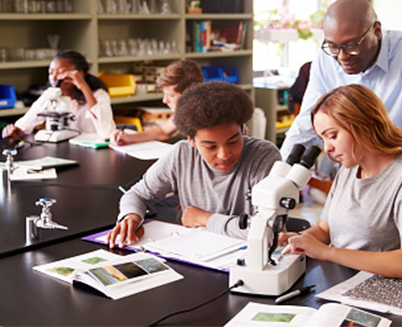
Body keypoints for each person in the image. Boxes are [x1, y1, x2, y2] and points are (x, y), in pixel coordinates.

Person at [279, 0, 402, 220]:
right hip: (360, 165)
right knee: (360, 243)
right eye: (333, 46)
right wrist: (278, 180)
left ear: (377, 30)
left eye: (351, 46)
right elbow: (305, 125)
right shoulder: (325, 59)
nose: (341, 57)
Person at [281, 85, 402, 281]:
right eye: (322, 139)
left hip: (382, 288)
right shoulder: (348, 170)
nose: (327, 148)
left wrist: (327, 252)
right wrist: (297, 239)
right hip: (340, 282)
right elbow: (324, 230)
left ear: (363, 124)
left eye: (332, 136)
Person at [106, 82, 281, 248]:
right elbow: (138, 194)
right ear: (191, 140)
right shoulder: (182, 154)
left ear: (242, 130)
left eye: (233, 141)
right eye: (210, 146)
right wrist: (131, 215)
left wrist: (205, 219)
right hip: (196, 253)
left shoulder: (263, 156)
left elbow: (267, 229)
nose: (224, 154)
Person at [2, 50, 116, 139]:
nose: (54, 78)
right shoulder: (50, 95)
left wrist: (84, 87)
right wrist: (16, 131)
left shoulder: (99, 95)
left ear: (80, 74)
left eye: (61, 72)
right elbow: (25, 124)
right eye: (51, 73)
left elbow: (107, 132)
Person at [110, 59, 204, 146]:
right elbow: (163, 131)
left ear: (189, 94)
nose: (165, 100)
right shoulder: (184, 111)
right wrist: (129, 138)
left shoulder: (206, 116)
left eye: (171, 95)